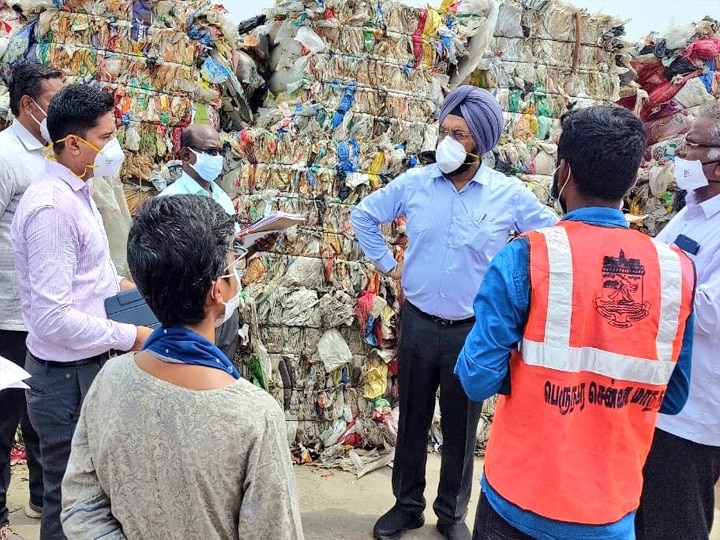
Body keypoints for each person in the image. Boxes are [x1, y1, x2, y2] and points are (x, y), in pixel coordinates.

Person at [455, 105, 696, 540]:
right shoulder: (676, 272)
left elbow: (476, 380)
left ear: (562, 172)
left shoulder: (525, 257)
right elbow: (673, 398)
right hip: (610, 509)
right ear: (630, 179)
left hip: (517, 501)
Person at [351, 85, 558, 540]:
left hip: (472, 331)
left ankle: (451, 514)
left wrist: (518, 292)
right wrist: (389, 264)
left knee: (462, 427)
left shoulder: (508, 195)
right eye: (444, 130)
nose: (447, 141)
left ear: (480, 143)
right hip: (419, 324)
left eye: (459, 134)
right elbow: (363, 216)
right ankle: (407, 506)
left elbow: (555, 238)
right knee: (413, 421)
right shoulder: (416, 184)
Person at [60, 194, 304, 539]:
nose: (238, 270)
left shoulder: (111, 380)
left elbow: (82, 509)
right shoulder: (254, 414)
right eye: (234, 263)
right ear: (218, 290)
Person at [10, 83, 152, 540]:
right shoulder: (52, 208)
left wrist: (139, 293)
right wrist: (131, 336)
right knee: (69, 501)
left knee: (90, 495)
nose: (114, 148)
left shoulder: (79, 190)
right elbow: (54, 317)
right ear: (74, 143)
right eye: (106, 138)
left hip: (85, 367)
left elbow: (93, 277)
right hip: (66, 377)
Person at [635, 101, 720, 539]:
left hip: (691, 416)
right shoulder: (690, 209)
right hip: (660, 400)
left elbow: (710, 312)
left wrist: (646, 280)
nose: (678, 154)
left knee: (677, 526)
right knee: (641, 519)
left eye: (691, 144)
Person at [0, 61, 63, 540]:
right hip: (6, 313)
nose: (59, 110)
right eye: (54, 100)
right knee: (3, 423)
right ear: (28, 104)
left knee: (46, 419)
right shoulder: (5, 156)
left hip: (46, 315)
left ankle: (43, 504)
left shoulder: (54, 154)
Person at [159, 124, 243, 360]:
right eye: (209, 152)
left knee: (222, 373)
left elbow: (231, 247)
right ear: (186, 155)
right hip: (195, 312)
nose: (216, 158)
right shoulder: (170, 202)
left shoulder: (221, 197)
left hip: (227, 307)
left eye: (219, 152)